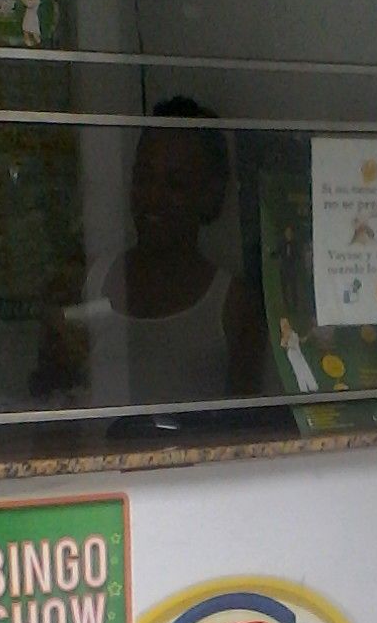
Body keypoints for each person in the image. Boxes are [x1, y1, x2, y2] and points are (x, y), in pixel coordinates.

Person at [33, 97, 266, 410]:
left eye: (176, 184)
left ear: (210, 194)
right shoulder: (89, 281)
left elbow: (248, 426)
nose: (153, 197)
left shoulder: (234, 308)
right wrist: (55, 352)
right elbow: (46, 397)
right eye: (144, 178)